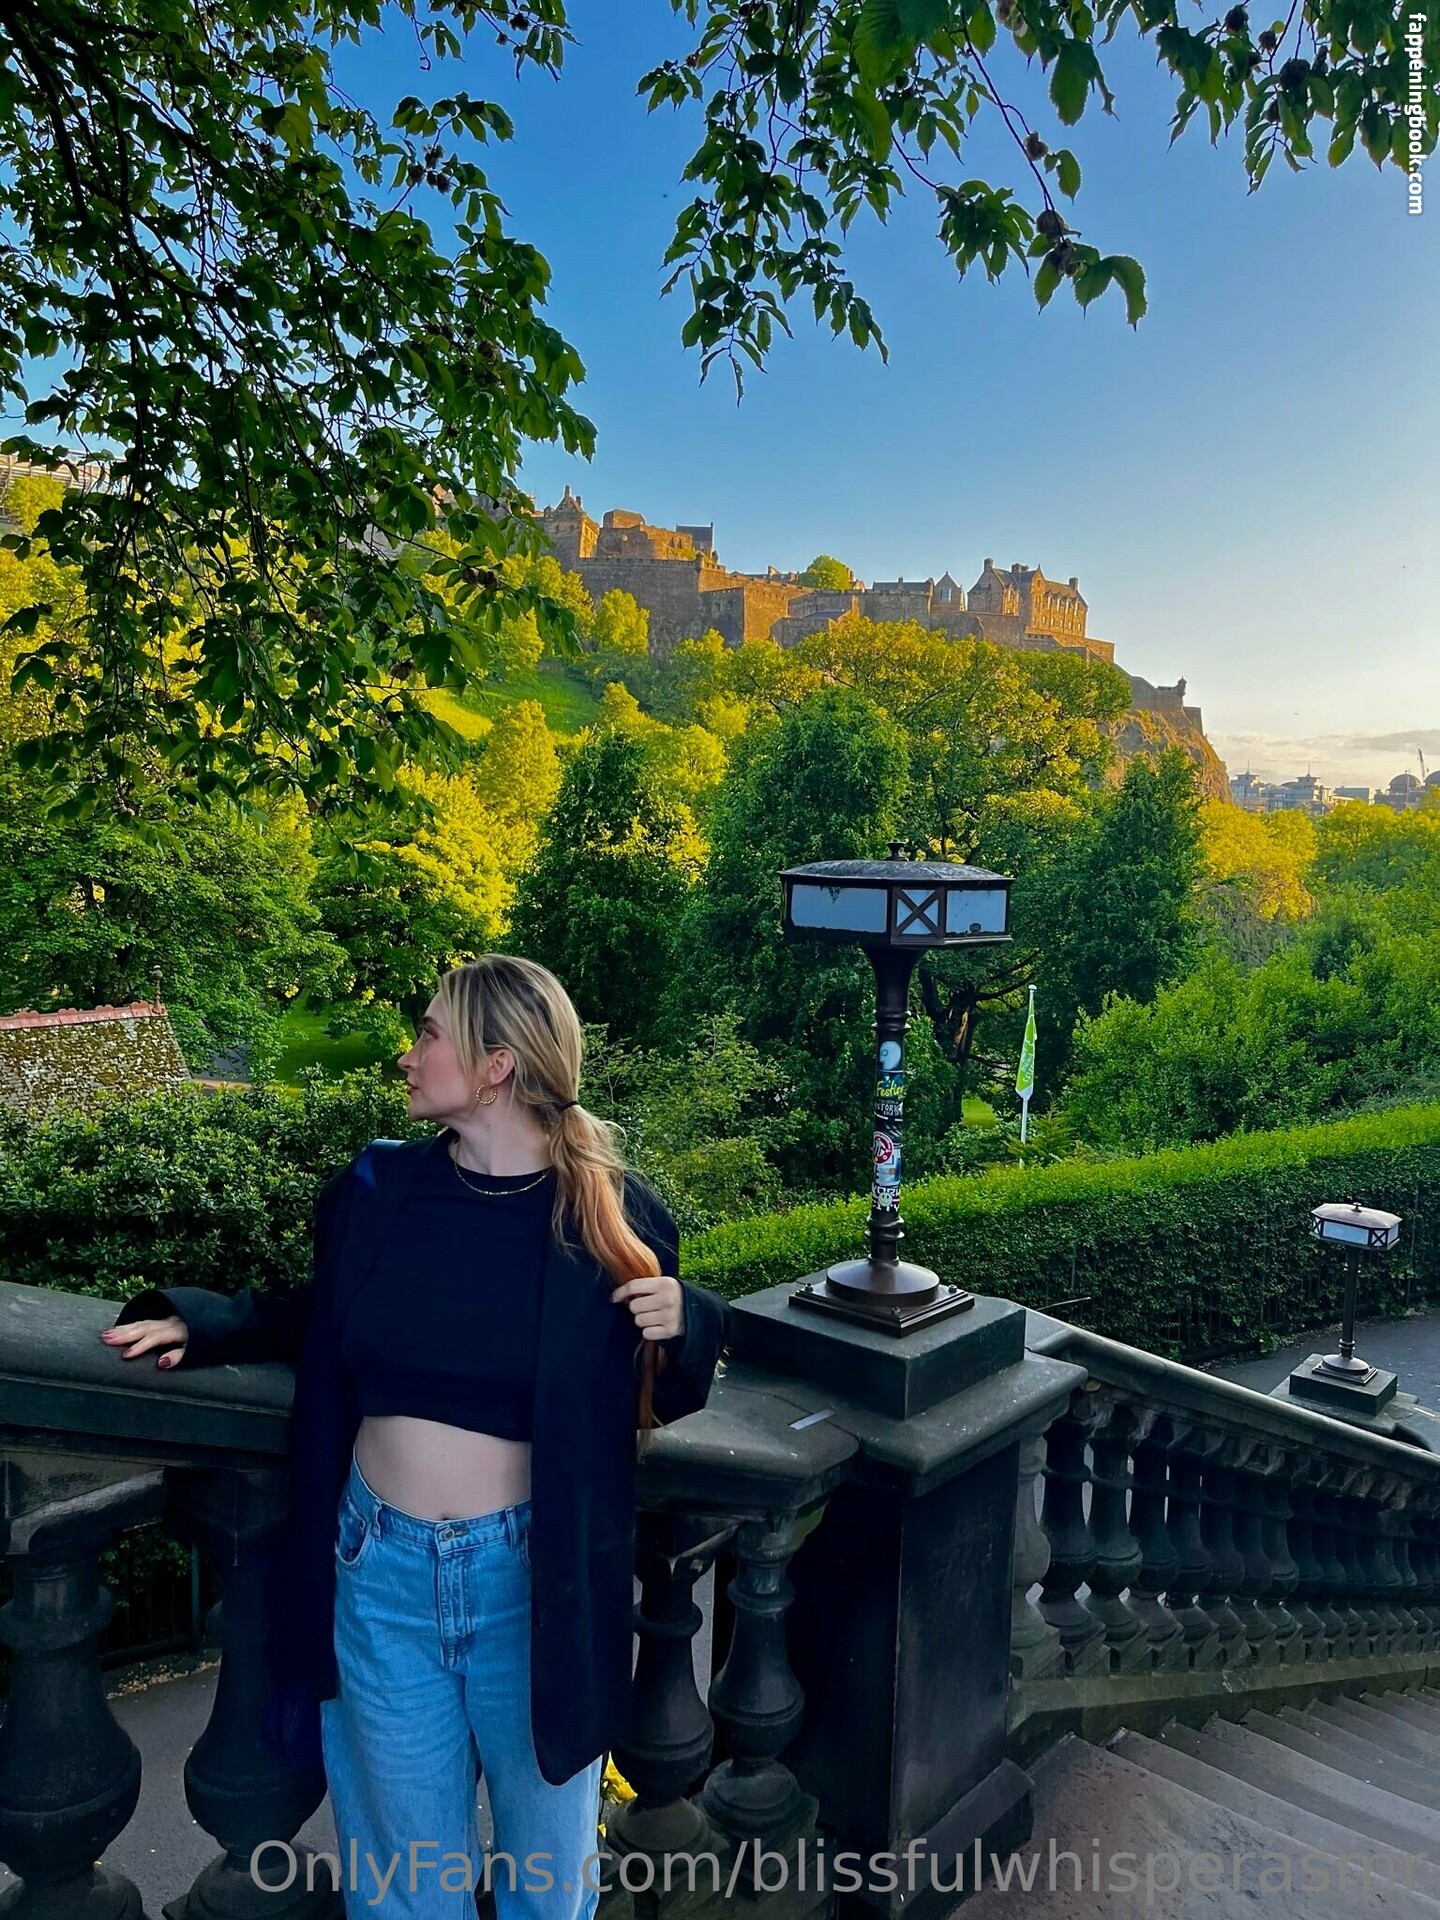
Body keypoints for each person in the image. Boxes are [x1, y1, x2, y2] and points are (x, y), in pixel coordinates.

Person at [99, 955, 731, 1920]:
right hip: (379, 1573)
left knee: (547, 1884)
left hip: (538, 1584)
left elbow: (667, 1391)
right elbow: (320, 1312)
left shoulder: (611, 1213)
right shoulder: (378, 1188)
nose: (408, 1052)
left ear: (496, 1065)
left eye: (429, 1033)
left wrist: (690, 1318)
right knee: (401, 1886)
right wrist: (207, 1322)